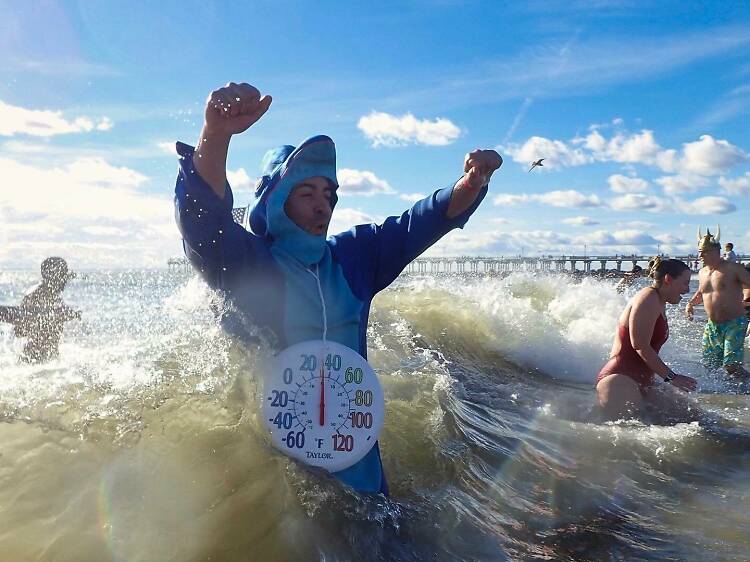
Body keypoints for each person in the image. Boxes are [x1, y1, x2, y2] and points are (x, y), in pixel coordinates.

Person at [173, 81, 502, 494]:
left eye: (328, 194)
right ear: (274, 200)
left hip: (357, 457)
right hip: (284, 468)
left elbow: (416, 225)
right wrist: (216, 134)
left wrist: (471, 184)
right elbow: (203, 221)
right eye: (306, 192)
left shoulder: (352, 258)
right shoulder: (250, 265)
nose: (322, 205)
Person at [595, 257, 697, 421]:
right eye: (685, 283)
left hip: (643, 382)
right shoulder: (648, 298)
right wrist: (672, 377)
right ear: (668, 279)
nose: (687, 290)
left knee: (695, 417)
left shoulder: (659, 301)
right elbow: (640, 345)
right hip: (620, 381)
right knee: (626, 439)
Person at [686, 231, 750, 376]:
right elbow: (702, 293)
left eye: (704, 252)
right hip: (712, 326)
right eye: (699, 252)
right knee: (710, 366)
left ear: (716, 251)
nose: (700, 256)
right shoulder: (702, 272)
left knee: (731, 366)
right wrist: (690, 304)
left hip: (735, 323)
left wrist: (747, 299)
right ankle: (718, 395)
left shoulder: (733, 268)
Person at [2, 257, 81, 363]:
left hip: (47, 360)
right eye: (63, 276)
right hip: (33, 359)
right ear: (52, 277)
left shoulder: (53, 295)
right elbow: (20, 330)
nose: (65, 280)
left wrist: (66, 315)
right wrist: (57, 316)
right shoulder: (35, 295)